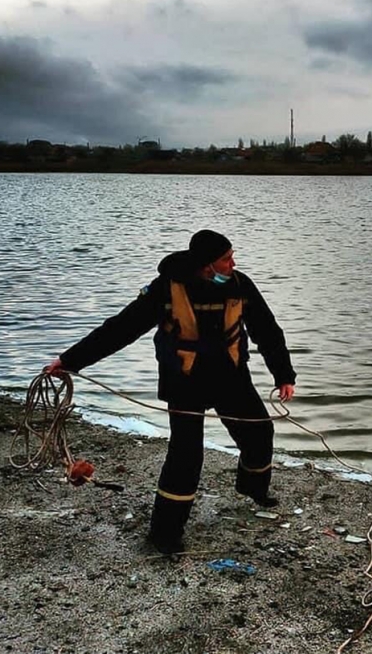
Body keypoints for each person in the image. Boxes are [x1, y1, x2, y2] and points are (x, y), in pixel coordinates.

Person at [45, 229, 296, 554]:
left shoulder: (240, 285)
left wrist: (284, 375)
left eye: (232, 256)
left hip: (231, 378)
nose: (233, 262)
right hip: (184, 382)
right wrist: (69, 360)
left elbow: (267, 330)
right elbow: (121, 328)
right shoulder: (166, 288)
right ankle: (164, 535)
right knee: (185, 457)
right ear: (207, 265)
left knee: (259, 432)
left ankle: (252, 489)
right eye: (226, 258)